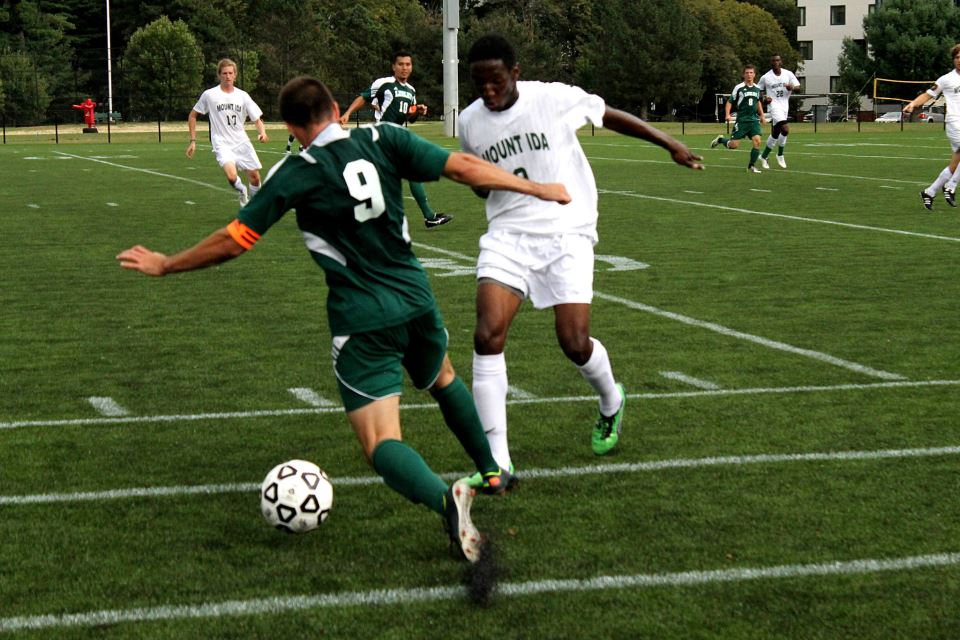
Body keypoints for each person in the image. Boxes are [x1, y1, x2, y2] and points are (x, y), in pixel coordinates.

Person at [117, 75, 570, 563]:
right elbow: (460, 167)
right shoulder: (384, 137)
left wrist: (167, 263)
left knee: (379, 442)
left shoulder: (295, 171)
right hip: (416, 297)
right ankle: (493, 470)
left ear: (290, 125)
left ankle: (447, 501)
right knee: (442, 377)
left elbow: (236, 239)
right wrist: (534, 186)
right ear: (336, 108)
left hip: (362, 316)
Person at [456, 34, 703, 484]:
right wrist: (484, 181)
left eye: (495, 80)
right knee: (487, 334)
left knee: (574, 342)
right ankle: (497, 464)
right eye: (479, 83)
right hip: (508, 235)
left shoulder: (551, 98)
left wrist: (668, 141)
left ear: (514, 73)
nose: (487, 91)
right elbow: (480, 180)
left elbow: (609, 116)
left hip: (567, 231)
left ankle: (611, 399)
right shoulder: (470, 122)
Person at [340, 50, 453, 229]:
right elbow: (364, 97)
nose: (404, 68)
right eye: (400, 64)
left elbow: (409, 117)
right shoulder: (384, 83)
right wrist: (347, 114)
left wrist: (419, 111)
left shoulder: (411, 90)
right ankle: (428, 216)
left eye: (408, 64)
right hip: (383, 136)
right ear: (394, 67)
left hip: (397, 137)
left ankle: (429, 216)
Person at [187, 58, 269, 206]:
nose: (228, 76)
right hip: (221, 142)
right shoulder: (210, 95)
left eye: (230, 73)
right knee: (232, 177)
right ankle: (242, 190)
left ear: (235, 75)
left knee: (255, 178)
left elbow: (257, 118)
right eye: (224, 73)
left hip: (241, 141)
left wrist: (262, 132)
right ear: (219, 75)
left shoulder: (242, 96)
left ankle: (256, 206)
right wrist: (193, 141)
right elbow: (193, 115)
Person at [904, 43, 960, 211]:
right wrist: (913, 104)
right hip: (955, 122)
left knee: (955, 164)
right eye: (956, 57)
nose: (959, 60)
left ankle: (930, 191)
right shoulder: (946, 79)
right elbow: (928, 94)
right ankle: (951, 186)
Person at [711, 64, 766, 173]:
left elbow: (758, 102)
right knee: (734, 145)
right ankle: (721, 140)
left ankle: (751, 166)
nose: (749, 75)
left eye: (751, 73)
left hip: (754, 120)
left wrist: (762, 115)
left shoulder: (757, 89)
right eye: (747, 73)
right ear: (743, 75)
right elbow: (730, 101)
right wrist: (727, 114)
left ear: (754, 75)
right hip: (742, 121)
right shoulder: (739, 87)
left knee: (757, 141)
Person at [757, 54, 800, 169]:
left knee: (776, 133)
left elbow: (799, 87)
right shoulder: (766, 77)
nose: (776, 62)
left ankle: (764, 156)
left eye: (778, 60)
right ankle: (780, 154)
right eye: (774, 61)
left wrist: (791, 87)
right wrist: (765, 98)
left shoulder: (788, 74)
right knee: (785, 129)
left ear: (781, 62)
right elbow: (759, 90)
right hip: (774, 106)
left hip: (784, 105)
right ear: (771, 63)